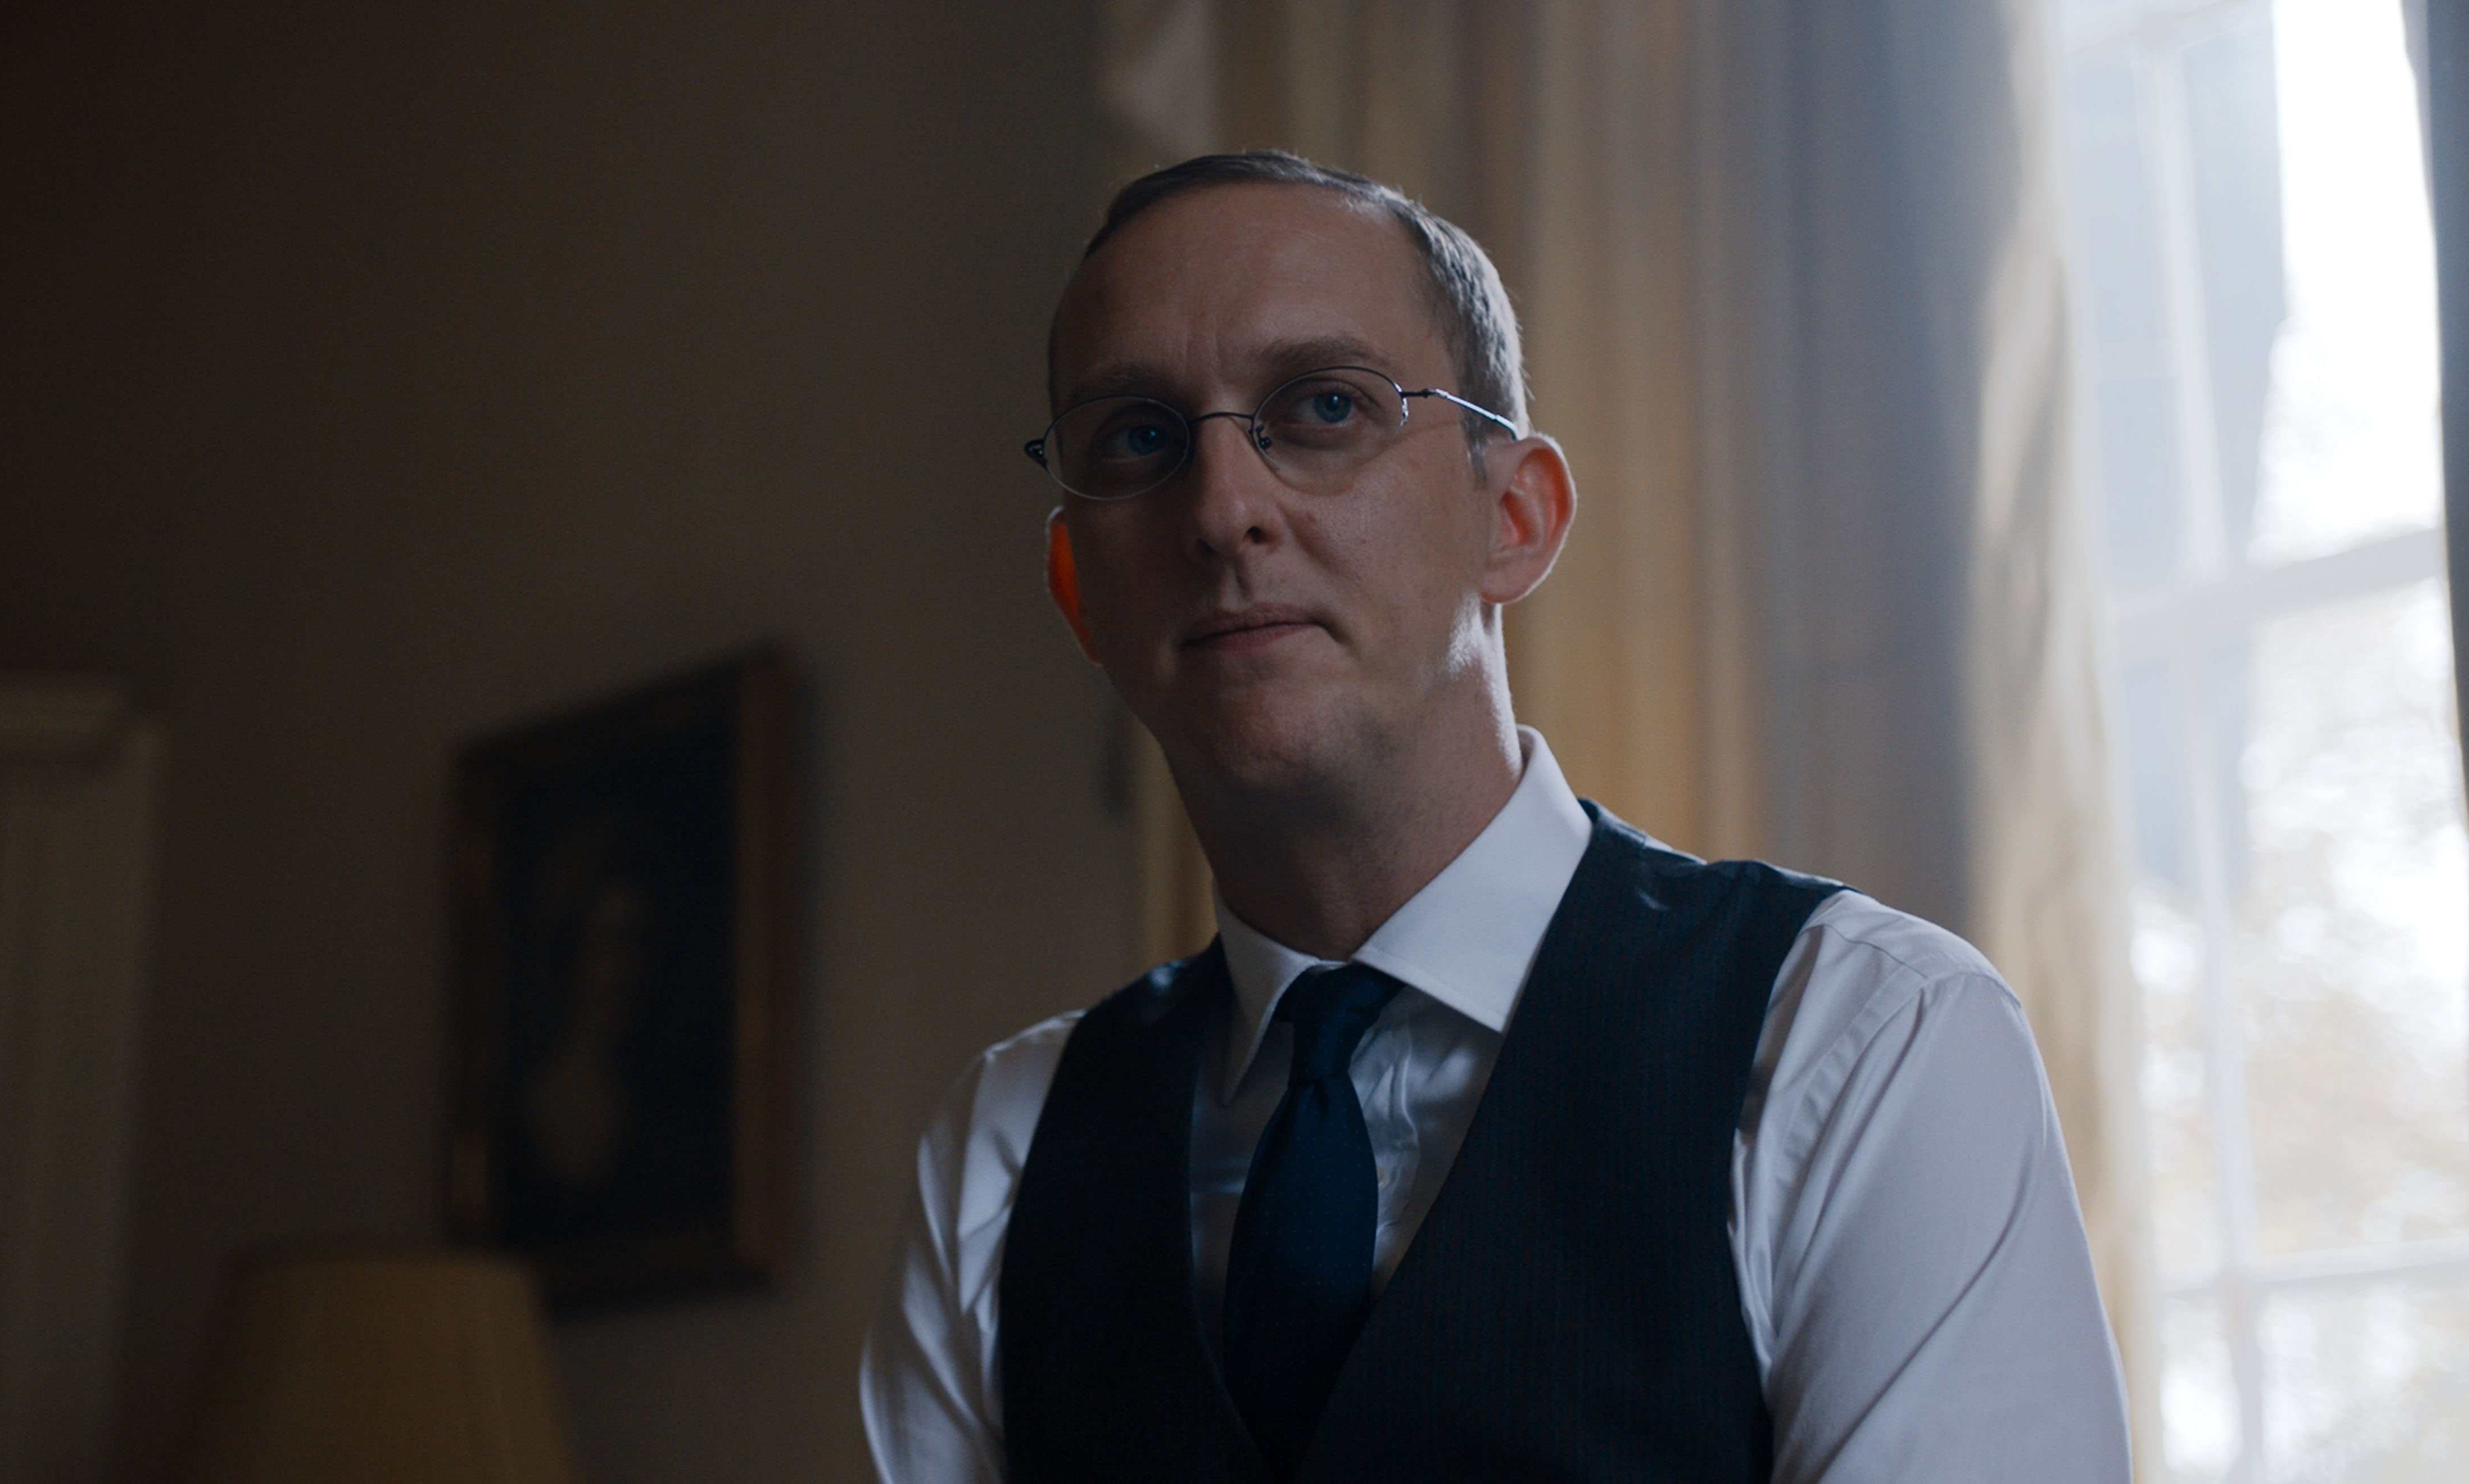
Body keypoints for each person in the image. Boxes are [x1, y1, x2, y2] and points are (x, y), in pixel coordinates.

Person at [862, 152, 2131, 1483]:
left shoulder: (1863, 1042)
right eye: (1137, 436)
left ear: (1515, 516)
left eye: (1325, 405)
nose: (1224, 509)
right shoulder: (1004, 1153)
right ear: (1075, 583)